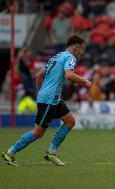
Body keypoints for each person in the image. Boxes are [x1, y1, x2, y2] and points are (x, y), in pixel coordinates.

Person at [2, 35, 92, 166]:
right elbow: (68, 74)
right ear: (76, 47)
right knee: (38, 132)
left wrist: (40, 93)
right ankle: (10, 153)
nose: (81, 52)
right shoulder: (70, 57)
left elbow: (39, 75)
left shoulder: (56, 57)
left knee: (70, 121)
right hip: (50, 98)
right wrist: (85, 81)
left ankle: (51, 152)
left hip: (51, 98)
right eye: (81, 49)